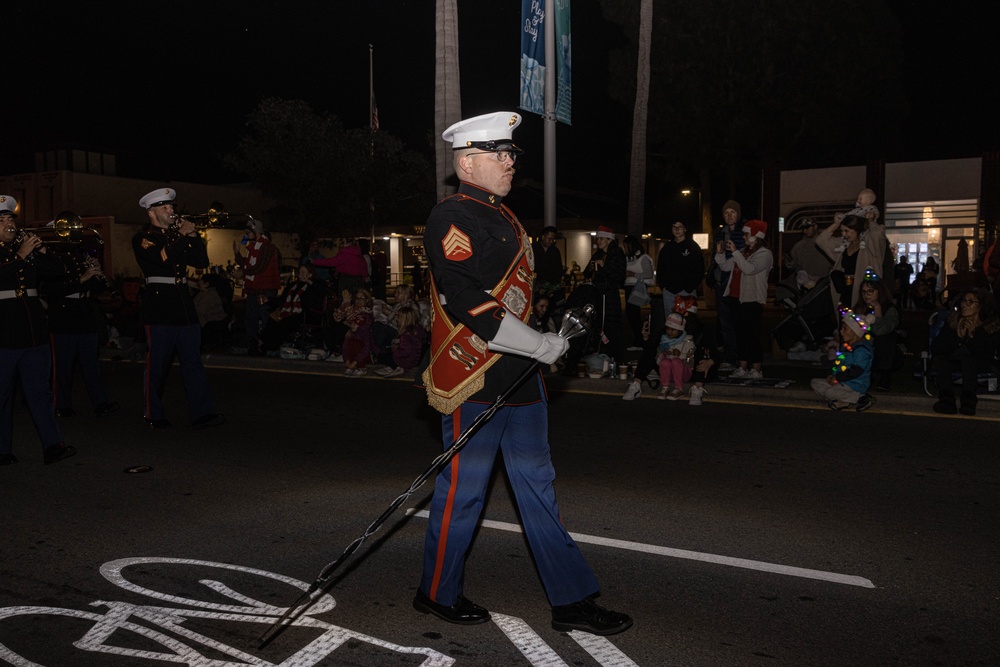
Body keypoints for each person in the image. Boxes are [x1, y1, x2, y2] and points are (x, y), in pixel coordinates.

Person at [416, 111, 631, 636]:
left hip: (523, 378)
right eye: (500, 154)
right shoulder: (451, 217)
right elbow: (465, 298)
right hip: (478, 373)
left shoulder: (504, 216)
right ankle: (436, 592)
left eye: (511, 154)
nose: (510, 162)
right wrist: (538, 343)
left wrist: (545, 337)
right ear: (468, 162)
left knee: (538, 488)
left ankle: (572, 600)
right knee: (464, 491)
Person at [132, 188, 224, 430]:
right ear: (151, 213)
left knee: (192, 362)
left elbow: (201, 263)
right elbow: (162, 258)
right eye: (164, 207)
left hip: (184, 306)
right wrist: (183, 236)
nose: (171, 210)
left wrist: (193, 235)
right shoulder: (143, 238)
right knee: (158, 364)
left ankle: (202, 412)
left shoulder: (177, 237)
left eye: (171, 206)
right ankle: (153, 413)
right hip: (160, 307)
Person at [0, 195, 77, 465]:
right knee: (2, 397)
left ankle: (52, 445)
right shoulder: (14, 255)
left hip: (34, 335)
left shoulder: (25, 252)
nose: (9, 224)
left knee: (41, 394)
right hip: (3, 336)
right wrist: (22, 254)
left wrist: (42, 250)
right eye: (2, 220)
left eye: (10, 218)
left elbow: (59, 271)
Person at [43, 234, 119, 419]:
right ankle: (61, 404)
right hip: (64, 316)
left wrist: (97, 272)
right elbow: (49, 290)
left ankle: (101, 402)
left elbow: (98, 290)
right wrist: (82, 279)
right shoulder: (51, 261)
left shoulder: (81, 259)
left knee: (91, 364)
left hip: (85, 315)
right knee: (63, 366)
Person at [716, 219, 773, 379]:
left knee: (752, 335)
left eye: (747, 233)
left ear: (756, 235)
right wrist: (720, 254)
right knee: (740, 334)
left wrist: (735, 253)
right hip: (736, 298)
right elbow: (726, 266)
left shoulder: (764, 254)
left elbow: (749, 269)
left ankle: (756, 369)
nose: (744, 236)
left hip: (752, 299)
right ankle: (742, 367)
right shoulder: (743, 251)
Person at [931, 288, 1000, 416]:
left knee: (970, 361)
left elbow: (986, 355)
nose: (964, 305)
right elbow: (936, 348)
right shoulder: (953, 323)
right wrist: (958, 338)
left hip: (979, 364)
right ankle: (946, 400)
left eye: (970, 302)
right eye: (963, 301)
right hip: (955, 361)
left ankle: (968, 401)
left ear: (980, 306)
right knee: (944, 362)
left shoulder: (989, 326)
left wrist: (973, 336)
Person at [816, 213, 887, 312]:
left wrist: (870, 221)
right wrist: (836, 224)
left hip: (864, 295)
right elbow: (821, 240)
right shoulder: (843, 246)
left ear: (857, 230)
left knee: (861, 324)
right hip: (846, 292)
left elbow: (878, 234)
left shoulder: (869, 247)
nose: (843, 234)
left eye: (847, 231)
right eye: (842, 231)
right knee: (846, 322)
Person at [810, 304, 876, 411]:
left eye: (844, 329)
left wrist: (837, 378)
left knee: (829, 392)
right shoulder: (846, 347)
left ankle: (861, 397)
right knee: (815, 383)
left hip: (855, 383)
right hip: (843, 381)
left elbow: (855, 371)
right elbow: (840, 365)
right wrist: (833, 376)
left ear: (855, 333)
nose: (841, 332)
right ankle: (845, 400)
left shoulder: (862, 350)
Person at [706, 200, 745, 371]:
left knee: (738, 323)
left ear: (738, 214)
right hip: (721, 283)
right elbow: (716, 255)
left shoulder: (744, 232)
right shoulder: (720, 234)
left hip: (737, 283)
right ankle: (729, 359)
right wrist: (711, 275)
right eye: (726, 212)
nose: (729, 215)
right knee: (725, 324)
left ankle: (742, 359)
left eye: (733, 212)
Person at [233, 218, 280, 354]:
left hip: (265, 289)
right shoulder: (253, 247)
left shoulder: (267, 246)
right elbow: (248, 265)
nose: (246, 235)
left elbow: (259, 267)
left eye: (248, 232)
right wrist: (237, 254)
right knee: (250, 317)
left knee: (265, 317)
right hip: (254, 288)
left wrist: (242, 273)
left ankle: (267, 345)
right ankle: (253, 345)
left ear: (256, 231)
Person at [257, 263, 328, 354]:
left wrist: (309, 281)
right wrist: (268, 300)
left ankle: (268, 346)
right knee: (273, 318)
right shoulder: (293, 285)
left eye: (303, 272)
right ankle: (263, 342)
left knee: (285, 322)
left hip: (307, 313)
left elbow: (323, 290)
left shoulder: (313, 285)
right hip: (290, 312)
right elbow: (282, 300)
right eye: (300, 272)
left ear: (310, 274)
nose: (301, 274)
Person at [583, 225, 626, 362]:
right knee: (597, 323)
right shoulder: (597, 254)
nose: (598, 241)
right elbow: (586, 273)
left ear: (609, 240)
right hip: (597, 293)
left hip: (610, 295)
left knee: (611, 324)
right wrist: (591, 268)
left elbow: (618, 275)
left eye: (601, 239)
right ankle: (598, 351)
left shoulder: (617, 253)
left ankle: (613, 354)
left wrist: (604, 266)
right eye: (597, 239)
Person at [853, 270, 901, 391]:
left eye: (870, 291)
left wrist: (877, 309)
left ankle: (885, 376)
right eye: (864, 292)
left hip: (886, 351)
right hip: (864, 347)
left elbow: (881, 330)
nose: (866, 295)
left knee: (885, 338)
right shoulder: (859, 308)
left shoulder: (889, 309)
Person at [656, 220, 704, 321]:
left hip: (687, 291)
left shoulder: (693, 247)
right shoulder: (667, 248)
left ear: (685, 229)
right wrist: (663, 286)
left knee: (688, 322)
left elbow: (700, 268)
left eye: (680, 227)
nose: (677, 229)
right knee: (671, 322)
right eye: (674, 227)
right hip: (669, 291)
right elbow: (661, 268)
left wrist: (691, 286)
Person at [373, 304, 425, 377]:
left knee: (384, 356)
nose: (397, 319)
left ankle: (396, 367)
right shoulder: (416, 331)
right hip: (414, 359)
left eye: (398, 317)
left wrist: (395, 350)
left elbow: (406, 351)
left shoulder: (406, 334)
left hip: (407, 360)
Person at [623, 235, 654, 349]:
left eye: (626, 247)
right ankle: (639, 339)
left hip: (636, 288)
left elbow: (649, 274)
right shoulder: (629, 258)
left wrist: (633, 274)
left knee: (633, 315)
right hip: (629, 287)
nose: (625, 249)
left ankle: (640, 341)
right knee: (632, 315)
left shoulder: (643, 258)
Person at [655, 311, 695, 400]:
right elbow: (657, 362)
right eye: (668, 329)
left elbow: (691, 362)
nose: (669, 332)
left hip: (684, 374)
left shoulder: (688, 341)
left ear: (680, 330)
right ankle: (665, 387)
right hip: (669, 374)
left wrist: (680, 355)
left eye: (673, 329)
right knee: (665, 361)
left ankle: (679, 389)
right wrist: (663, 354)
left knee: (676, 361)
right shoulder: (664, 341)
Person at [784, 217, 832, 286]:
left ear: (815, 227)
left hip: (824, 284)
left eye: (807, 228)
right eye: (803, 229)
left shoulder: (826, 243)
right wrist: (789, 261)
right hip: (805, 284)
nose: (805, 231)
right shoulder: (798, 246)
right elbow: (792, 266)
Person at [531, 225, 564, 298]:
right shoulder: (533, 249)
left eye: (553, 240)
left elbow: (558, 270)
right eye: (549, 239)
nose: (551, 241)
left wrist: (553, 286)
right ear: (543, 237)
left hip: (550, 288)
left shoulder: (555, 251)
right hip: (535, 287)